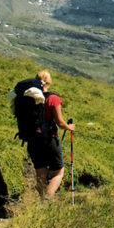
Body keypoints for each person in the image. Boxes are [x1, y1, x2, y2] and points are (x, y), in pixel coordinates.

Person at [27, 70, 76, 201]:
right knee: (58, 172)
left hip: (33, 140)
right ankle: (46, 200)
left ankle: (41, 201)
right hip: (49, 140)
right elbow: (60, 122)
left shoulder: (28, 98)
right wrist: (69, 127)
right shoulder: (53, 98)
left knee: (41, 173)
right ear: (49, 82)